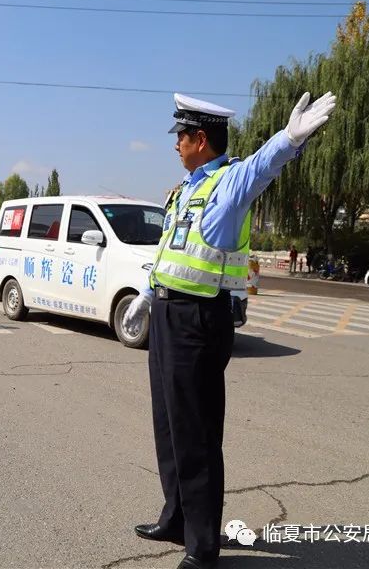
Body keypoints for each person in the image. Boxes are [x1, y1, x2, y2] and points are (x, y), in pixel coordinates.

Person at [123, 91, 336, 569]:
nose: (175, 143)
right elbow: (169, 252)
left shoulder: (227, 182)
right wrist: (147, 292)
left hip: (200, 320)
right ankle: (175, 517)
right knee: (168, 426)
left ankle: (202, 546)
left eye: (181, 135)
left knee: (196, 435)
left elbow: (262, 167)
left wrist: (289, 139)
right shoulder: (182, 190)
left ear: (201, 139)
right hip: (168, 315)